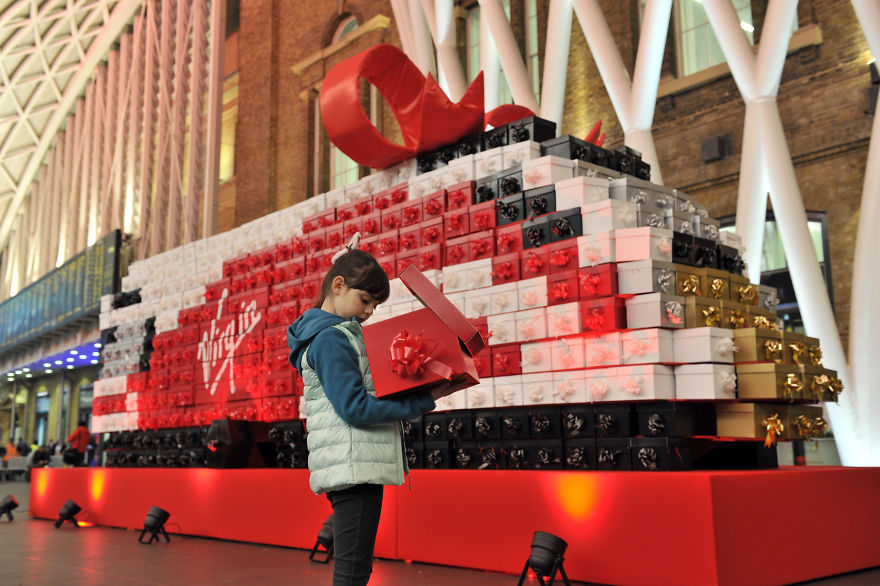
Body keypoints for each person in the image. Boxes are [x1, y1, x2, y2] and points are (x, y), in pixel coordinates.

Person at [287, 238, 461, 586]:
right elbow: (355, 407)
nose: (368, 312)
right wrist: (424, 400)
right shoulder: (331, 338)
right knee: (353, 572)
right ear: (338, 286)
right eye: (364, 300)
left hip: (352, 461)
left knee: (355, 568)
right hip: (354, 464)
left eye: (375, 305)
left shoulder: (331, 335)